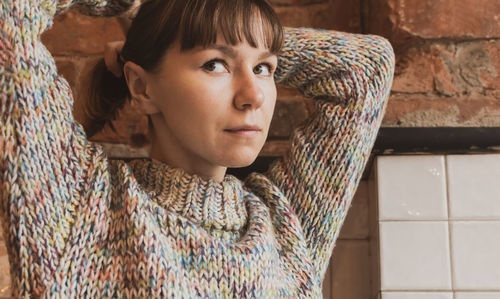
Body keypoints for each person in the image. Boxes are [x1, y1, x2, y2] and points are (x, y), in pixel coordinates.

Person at [0, 0, 394, 297]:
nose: (253, 95)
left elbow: (365, 69)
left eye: (264, 69)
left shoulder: (285, 226)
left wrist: (189, 30)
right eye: (214, 65)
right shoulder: (79, 206)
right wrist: (140, 10)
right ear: (141, 86)